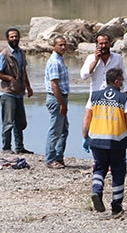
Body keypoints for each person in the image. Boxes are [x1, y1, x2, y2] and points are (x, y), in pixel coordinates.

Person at [82, 68, 127, 216]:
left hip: (96, 140)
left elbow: (86, 118)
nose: (123, 82)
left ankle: (96, 192)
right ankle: (116, 206)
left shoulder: (94, 96)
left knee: (99, 168)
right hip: (117, 141)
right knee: (118, 172)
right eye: (122, 80)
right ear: (116, 82)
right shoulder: (124, 98)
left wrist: (85, 137)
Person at [0, 28, 34, 154]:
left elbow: (23, 71)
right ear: (7, 39)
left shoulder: (21, 53)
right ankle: (6, 147)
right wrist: (9, 78)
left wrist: (28, 86)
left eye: (16, 36)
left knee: (20, 122)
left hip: (19, 91)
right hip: (7, 92)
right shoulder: (4, 54)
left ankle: (20, 147)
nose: (14, 39)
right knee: (8, 121)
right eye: (12, 37)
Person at [44, 35, 70, 169]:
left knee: (64, 130)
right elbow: (54, 85)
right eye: (60, 45)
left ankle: (59, 157)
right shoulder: (54, 61)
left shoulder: (60, 59)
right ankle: (50, 159)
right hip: (56, 98)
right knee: (55, 130)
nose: (63, 47)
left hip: (61, 97)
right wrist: (62, 104)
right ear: (54, 46)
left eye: (64, 44)